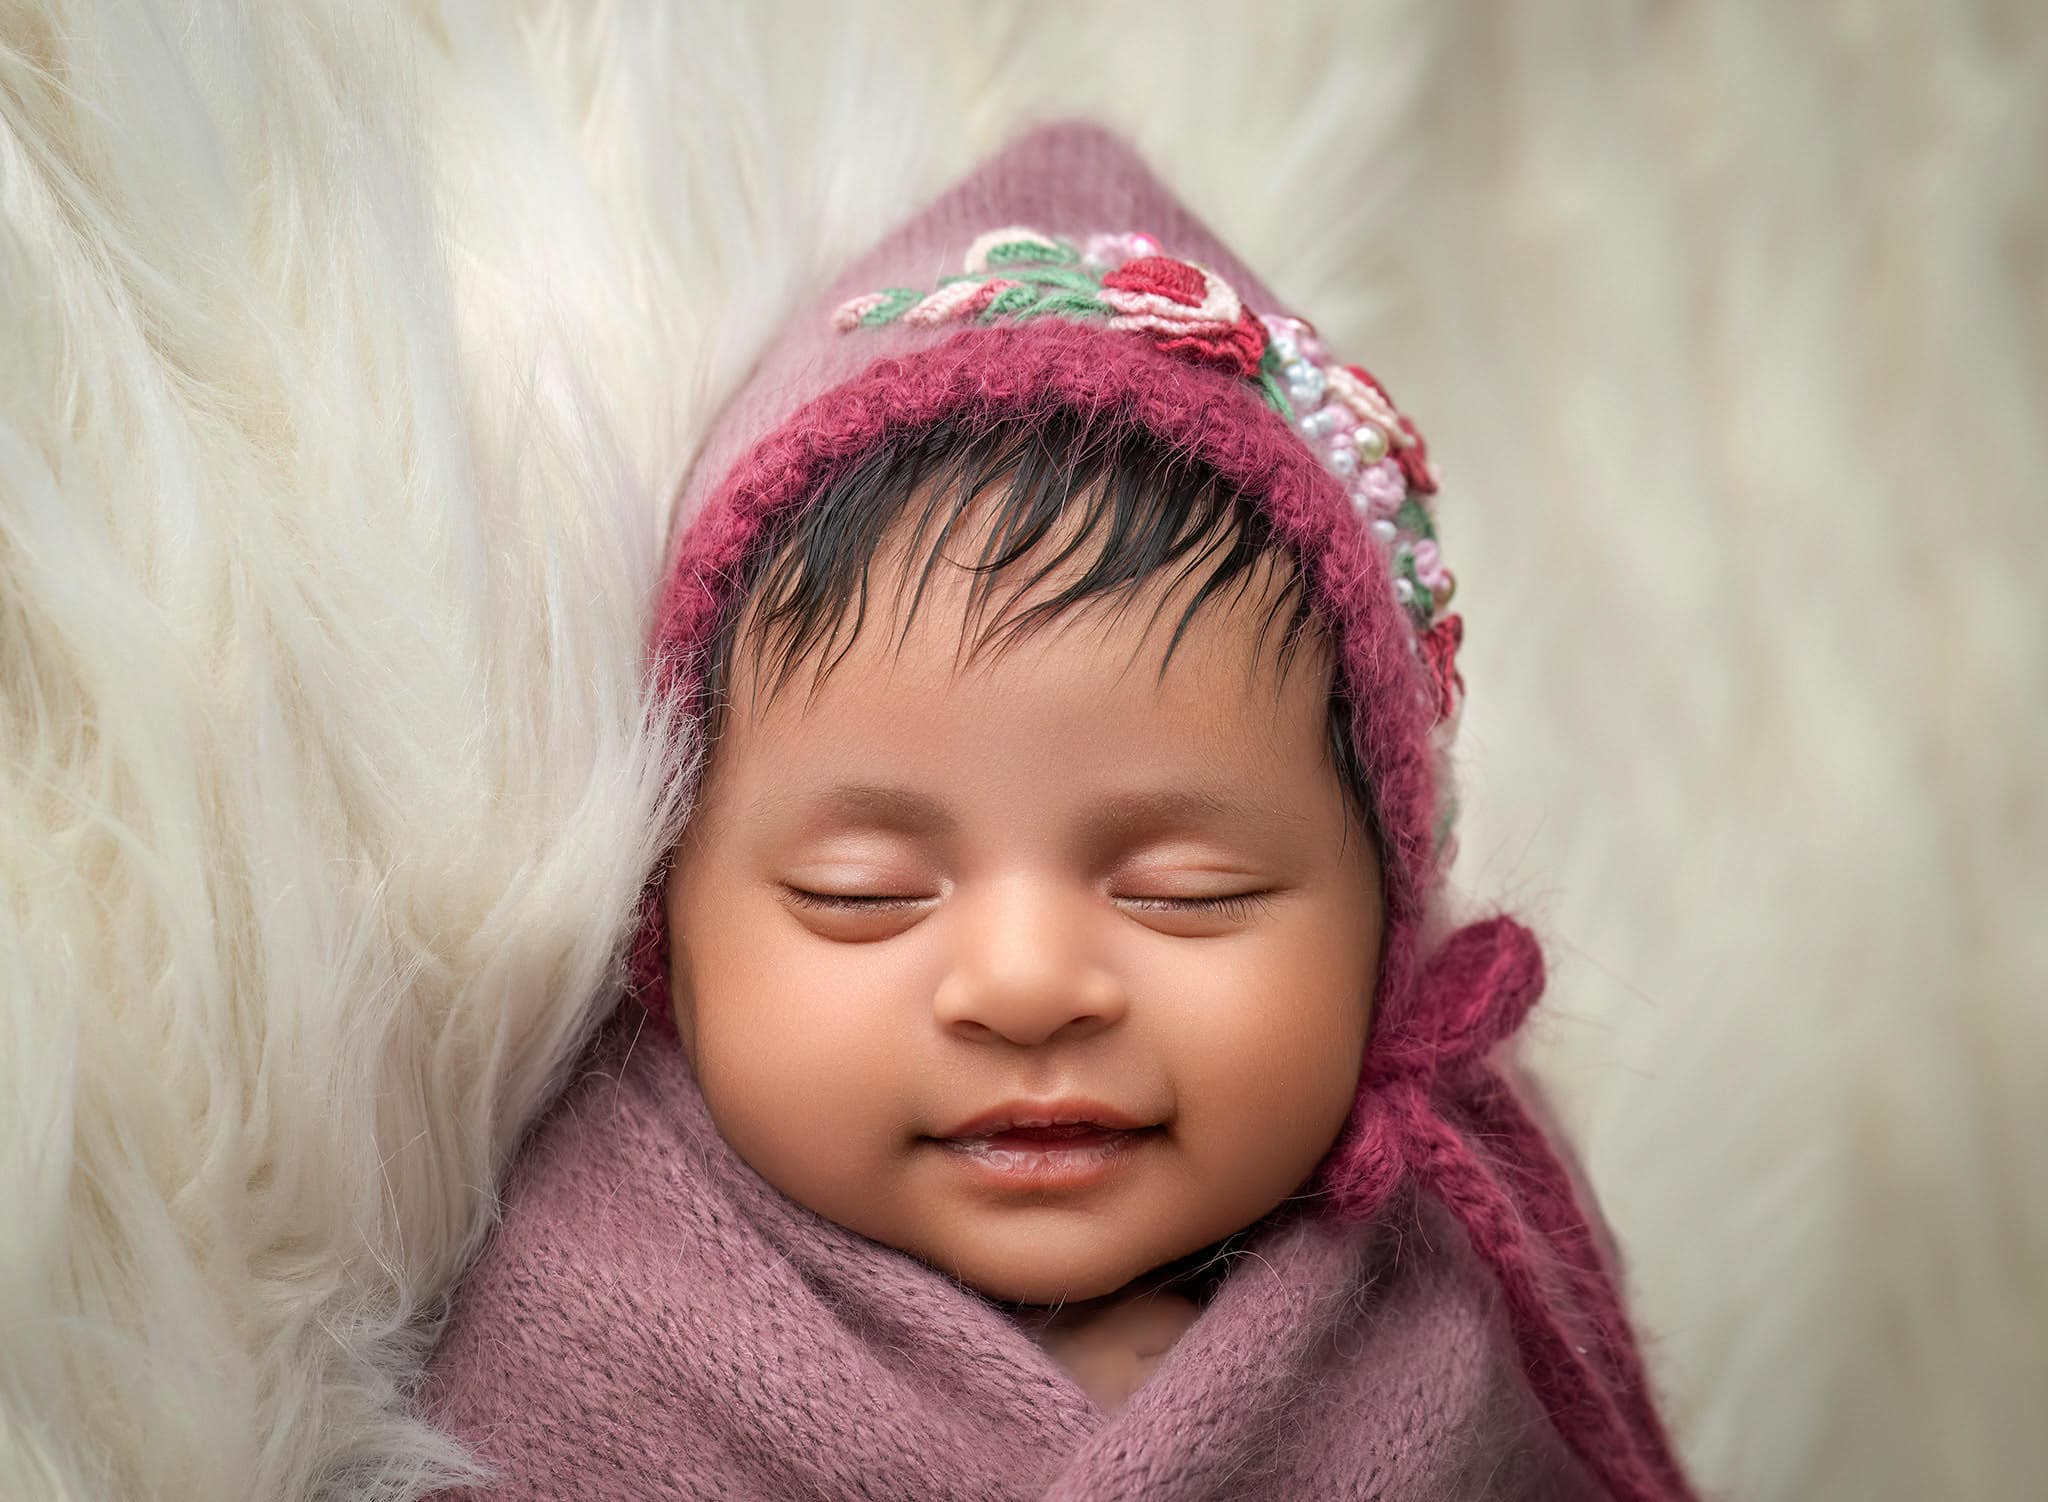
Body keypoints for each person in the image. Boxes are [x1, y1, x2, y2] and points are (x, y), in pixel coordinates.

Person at [416, 120, 1702, 1501]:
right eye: (863, 889)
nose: (1028, 987)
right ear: (668, 926)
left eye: (1185, 888)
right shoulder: (590, 1324)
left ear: (1388, 930)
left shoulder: (1466, 1305)